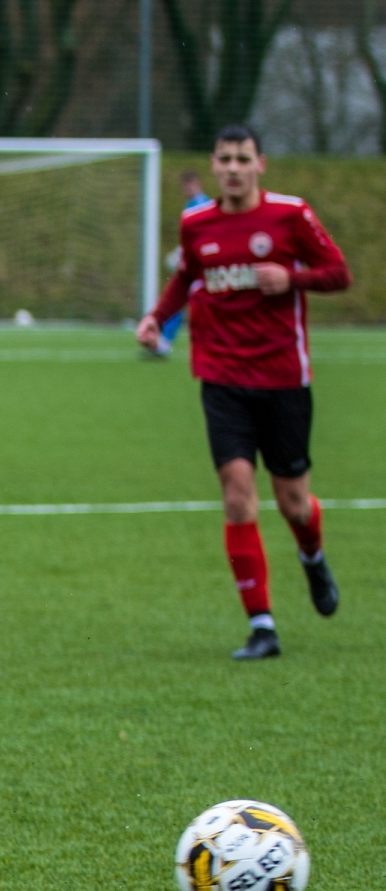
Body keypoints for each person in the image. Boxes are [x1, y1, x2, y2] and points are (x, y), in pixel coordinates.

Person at [136, 125, 351, 660]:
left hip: (283, 378)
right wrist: (157, 318)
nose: (233, 168)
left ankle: (312, 556)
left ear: (260, 164)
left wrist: (291, 280)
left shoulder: (290, 215)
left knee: (294, 503)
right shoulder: (197, 223)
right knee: (237, 496)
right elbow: (187, 276)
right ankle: (262, 626)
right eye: (225, 159)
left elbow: (338, 273)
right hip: (222, 377)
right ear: (214, 164)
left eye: (243, 158)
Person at [153, 169, 213, 359]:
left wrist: (181, 255)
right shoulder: (191, 205)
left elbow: (204, 236)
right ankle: (164, 342)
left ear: (197, 184)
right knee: (180, 300)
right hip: (196, 261)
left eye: (190, 185)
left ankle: (166, 342)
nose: (187, 189)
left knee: (197, 302)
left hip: (204, 263)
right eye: (185, 186)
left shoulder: (202, 205)